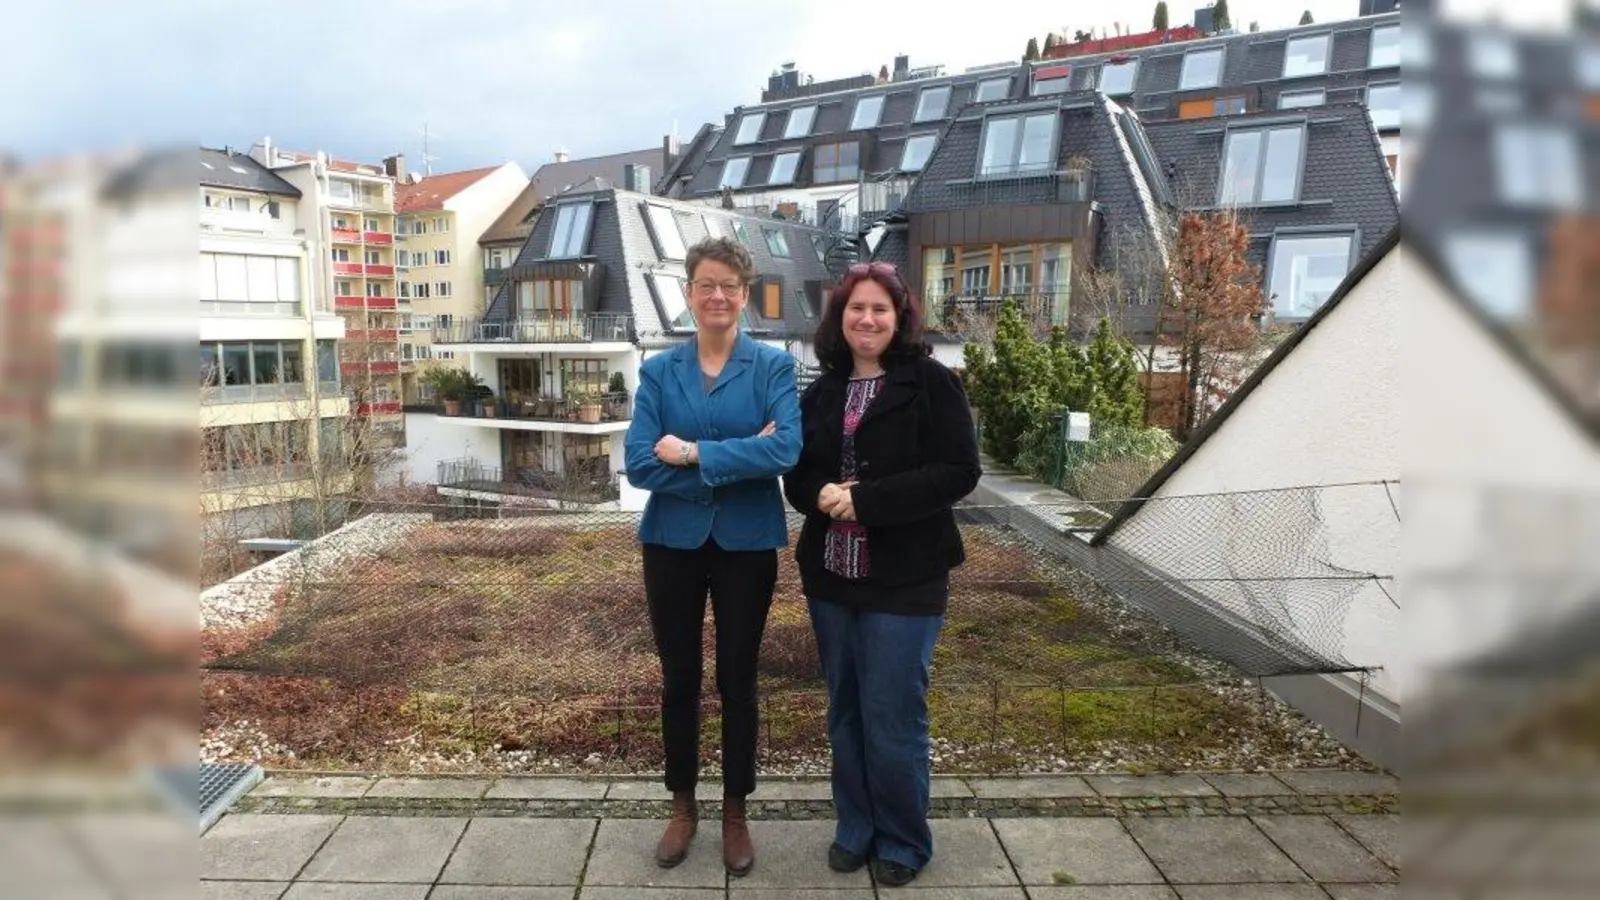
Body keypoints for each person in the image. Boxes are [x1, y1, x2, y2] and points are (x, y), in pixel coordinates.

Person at [782, 261, 981, 888]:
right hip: (832, 578)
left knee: (893, 714)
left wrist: (866, 500)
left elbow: (958, 471)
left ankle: (902, 838)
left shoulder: (930, 382)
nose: (866, 319)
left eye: (880, 310)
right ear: (839, 320)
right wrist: (817, 496)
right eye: (855, 309)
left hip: (905, 581)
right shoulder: (822, 390)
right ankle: (856, 827)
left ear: (900, 320)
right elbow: (798, 471)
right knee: (844, 710)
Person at [624, 236, 802, 877]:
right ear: (689, 293)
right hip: (670, 543)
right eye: (706, 284)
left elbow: (785, 452)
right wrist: (738, 456)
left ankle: (734, 813)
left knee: (738, 681)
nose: (718, 295)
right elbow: (640, 462)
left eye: (730, 284)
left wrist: (696, 453)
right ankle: (682, 807)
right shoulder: (659, 370)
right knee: (679, 680)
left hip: (746, 545)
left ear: (745, 295)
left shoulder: (773, 367)